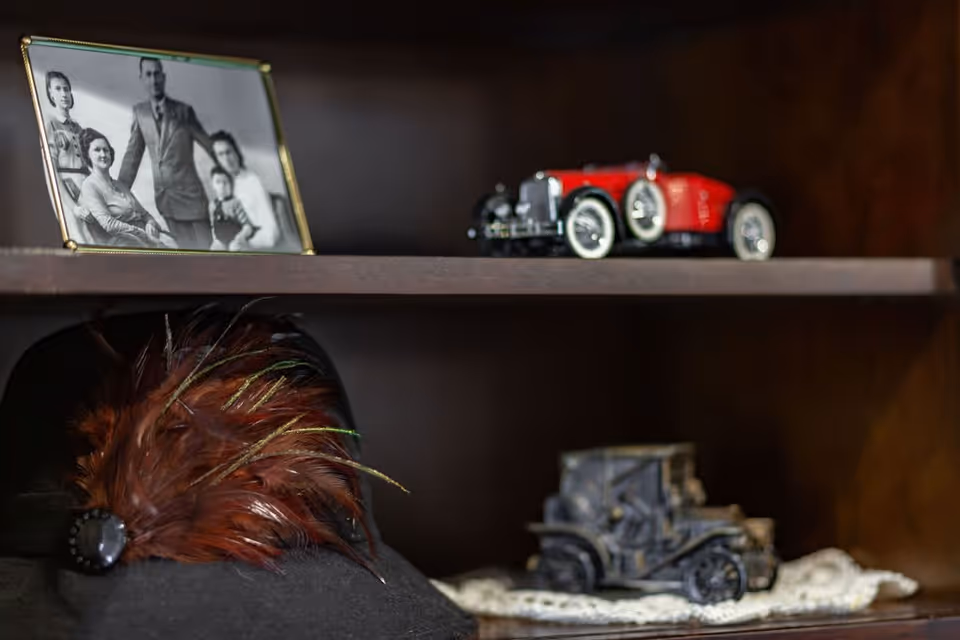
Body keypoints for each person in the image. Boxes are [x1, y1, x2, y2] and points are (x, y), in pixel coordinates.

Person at [118, 57, 215, 250]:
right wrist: (118, 191)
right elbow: (132, 156)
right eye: (148, 75)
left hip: (192, 198)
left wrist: (234, 173)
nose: (153, 80)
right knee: (186, 254)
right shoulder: (140, 112)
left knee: (206, 251)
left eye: (156, 74)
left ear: (163, 77)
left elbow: (209, 144)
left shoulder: (183, 111)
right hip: (166, 199)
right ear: (142, 78)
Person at [78, 128, 174, 249]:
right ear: (88, 155)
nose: (103, 154)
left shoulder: (120, 185)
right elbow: (109, 224)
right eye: (97, 150)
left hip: (146, 236)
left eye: (106, 150)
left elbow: (145, 214)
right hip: (126, 241)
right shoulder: (89, 185)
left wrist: (150, 224)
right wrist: (144, 234)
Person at [210, 130, 280, 250]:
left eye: (228, 152)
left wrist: (248, 244)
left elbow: (271, 232)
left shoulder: (252, 182)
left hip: (252, 246)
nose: (226, 158)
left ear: (236, 152)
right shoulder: (222, 188)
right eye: (220, 154)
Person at [208, 166, 256, 251]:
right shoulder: (212, 205)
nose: (222, 186)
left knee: (234, 249)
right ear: (212, 185)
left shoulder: (235, 203)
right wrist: (215, 240)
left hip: (235, 239)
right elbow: (213, 226)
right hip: (220, 241)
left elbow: (248, 226)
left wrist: (240, 238)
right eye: (218, 182)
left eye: (225, 182)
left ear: (231, 184)